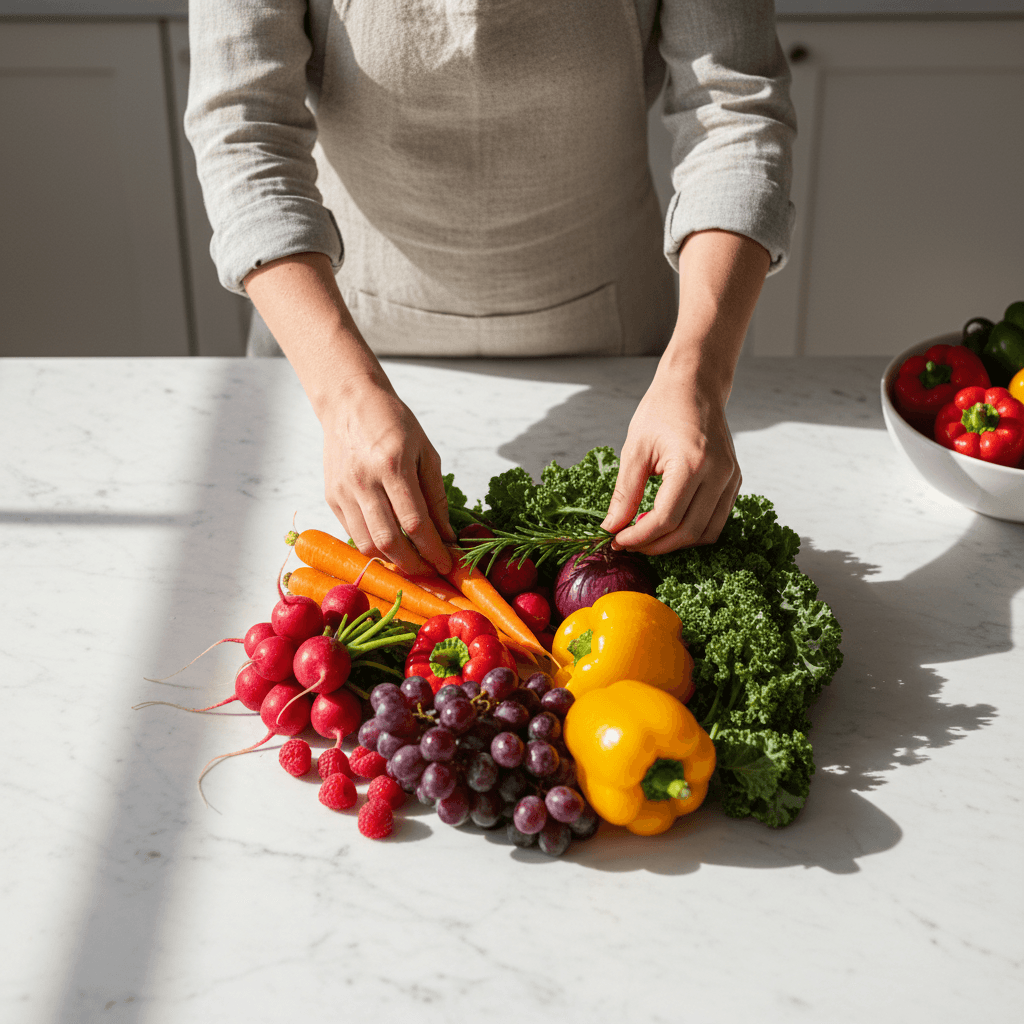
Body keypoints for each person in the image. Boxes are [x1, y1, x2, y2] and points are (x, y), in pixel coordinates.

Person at [185, 0, 796, 577]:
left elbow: (733, 116)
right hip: (331, 339)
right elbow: (243, 129)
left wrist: (699, 372)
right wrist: (344, 397)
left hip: (622, 346)